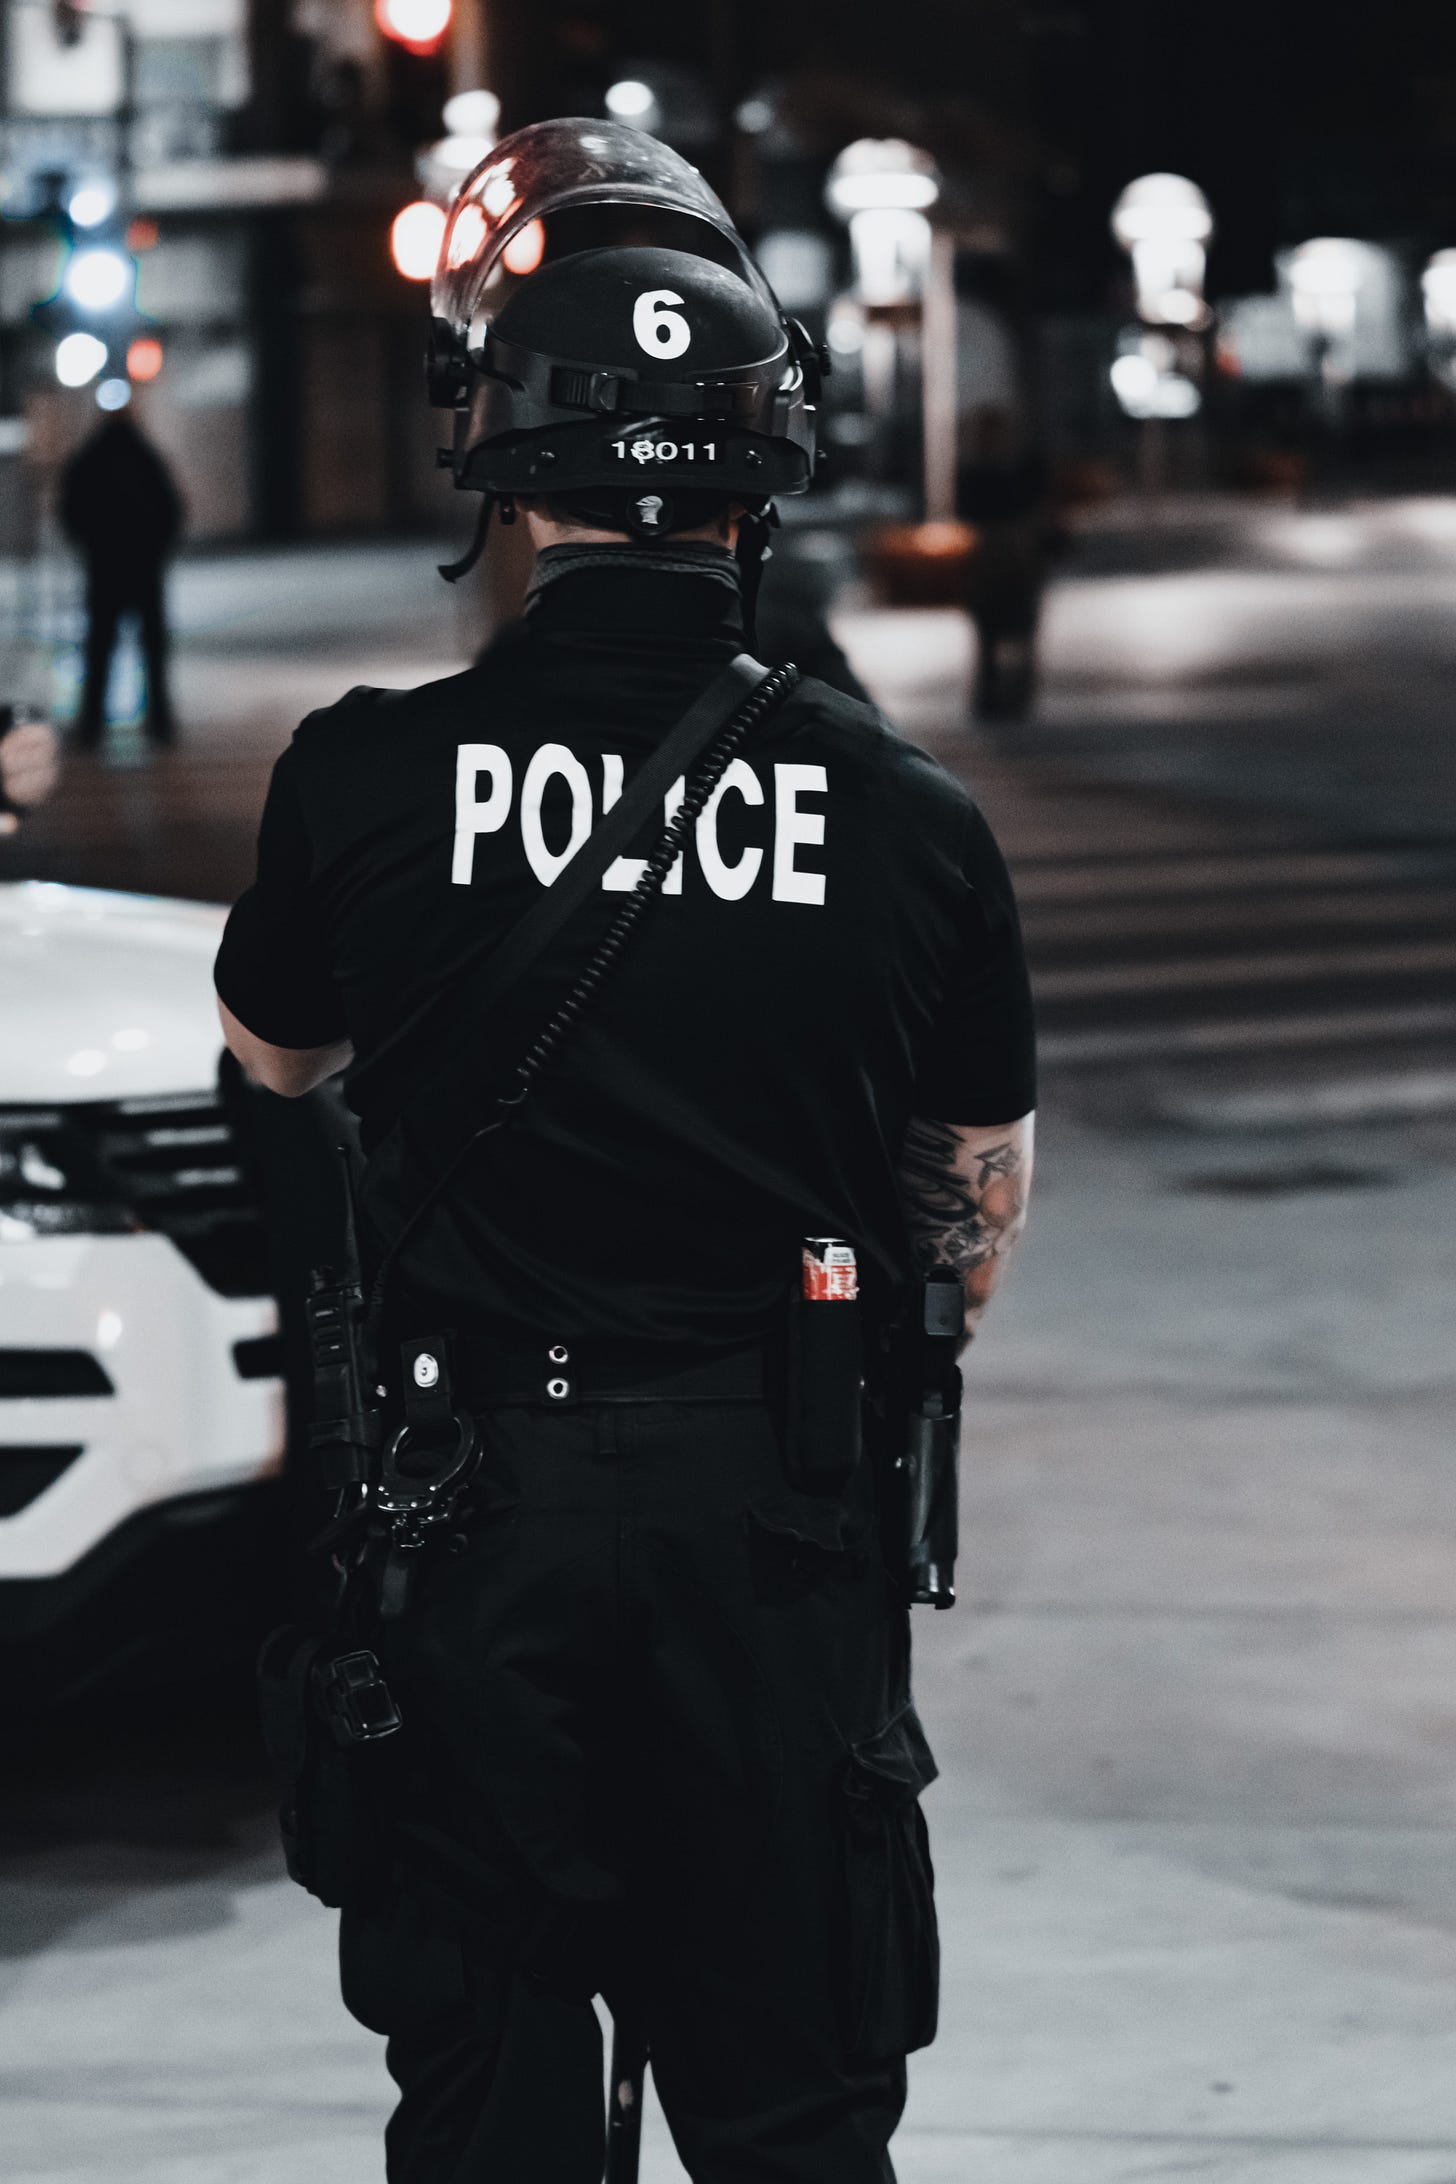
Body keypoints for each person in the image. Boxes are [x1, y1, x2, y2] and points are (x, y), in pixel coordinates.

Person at [214, 118, 1036, 2184]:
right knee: (787, 2101)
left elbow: (271, 1085)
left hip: (464, 1504)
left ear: (498, 455)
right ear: (768, 463)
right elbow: (970, 1216)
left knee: (482, 2084)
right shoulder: (913, 823)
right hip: (769, 1517)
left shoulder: (363, 780)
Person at [59, 407, 182, 745]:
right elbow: (172, 511)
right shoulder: (147, 458)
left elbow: (70, 512)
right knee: (152, 650)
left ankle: (91, 726)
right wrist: (156, 550)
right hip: (144, 568)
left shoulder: (89, 461)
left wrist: (92, 545)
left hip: (105, 568)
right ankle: (159, 723)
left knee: (100, 649)